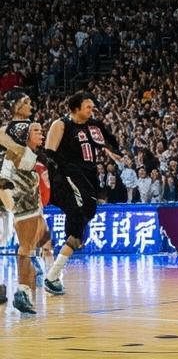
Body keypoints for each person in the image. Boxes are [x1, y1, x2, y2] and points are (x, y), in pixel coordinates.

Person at [42, 92, 125, 295]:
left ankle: (52, 273)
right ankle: (50, 267)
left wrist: (114, 153)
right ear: (76, 108)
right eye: (88, 107)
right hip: (67, 175)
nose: (91, 110)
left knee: (80, 226)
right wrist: (49, 183)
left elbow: (104, 144)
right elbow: (48, 156)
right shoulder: (61, 124)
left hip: (88, 177)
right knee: (80, 215)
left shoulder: (93, 126)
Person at [0, 90, 49, 314]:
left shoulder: (16, 129)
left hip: (20, 187)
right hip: (17, 187)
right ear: (15, 106)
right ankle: (22, 291)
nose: (31, 104)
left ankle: (26, 292)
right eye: (25, 101)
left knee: (31, 243)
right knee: (27, 245)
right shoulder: (17, 128)